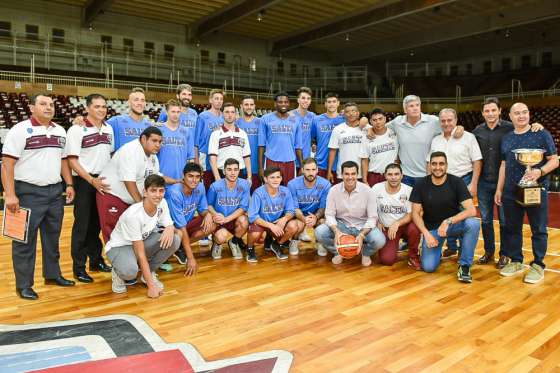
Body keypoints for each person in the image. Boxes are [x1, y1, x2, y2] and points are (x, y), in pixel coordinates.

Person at [2, 93, 76, 300]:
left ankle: (52, 275)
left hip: (54, 193)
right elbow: (7, 165)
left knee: (52, 238)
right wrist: (9, 195)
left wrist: (69, 183)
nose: (48, 107)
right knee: (24, 241)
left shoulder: (60, 130)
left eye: (51, 104)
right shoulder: (19, 130)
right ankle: (23, 285)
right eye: (43, 104)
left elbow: (63, 160)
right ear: (32, 108)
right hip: (27, 192)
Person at [473, 97, 543, 268]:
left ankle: (505, 254)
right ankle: (489, 252)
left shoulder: (510, 128)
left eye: (493, 110)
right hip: (484, 182)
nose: (490, 113)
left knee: (505, 221)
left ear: (499, 111)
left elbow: (525, 128)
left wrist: (537, 125)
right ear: (483, 113)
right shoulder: (477, 131)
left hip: (505, 183)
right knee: (486, 220)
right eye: (487, 111)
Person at [495, 102, 558, 284]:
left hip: (535, 189)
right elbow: (504, 165)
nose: (521, 116)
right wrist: (499, 188)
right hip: (510, 190)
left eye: (524, 112)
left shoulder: (541, 133)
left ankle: (538, 265)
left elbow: (554, 160)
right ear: (511, 116)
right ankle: (516, 261)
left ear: (529, 114)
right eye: (517, 113)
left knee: (538, 228)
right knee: (512, 228)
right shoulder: (507, 138)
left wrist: (540, 171)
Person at [106, 175, 181, 298]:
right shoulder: (133, 215)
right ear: (145, 192)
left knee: (175, 240)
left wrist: (170, 227)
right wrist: (152, 287)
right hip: (120, 247)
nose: (158, 195)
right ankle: (118, 271)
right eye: (153, 190)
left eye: (161, 190)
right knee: (130, 272)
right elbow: (140, 254)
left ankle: (148, 274)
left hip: (141, 241)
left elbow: (169, 224)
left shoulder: (162, 203)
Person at [97, 126, 176, 243]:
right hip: (112, 195)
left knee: (131, 234)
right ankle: (119, 260)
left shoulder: (153, 156)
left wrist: (177, 181)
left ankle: (135, 260)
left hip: (130, 199)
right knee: (114, 236)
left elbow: (156, 177)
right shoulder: (130, 151)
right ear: (143, 139)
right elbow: (129, 182)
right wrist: (141, 205)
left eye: (160, 142)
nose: (158, 144)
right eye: (154, 141)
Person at [410, 151, 479, 283]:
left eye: (441, 164)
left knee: (473, 224)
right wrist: (426, 234)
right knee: (429, 267)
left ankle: (464, 266)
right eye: (434, 164)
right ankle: (437, 251)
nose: (438, 167)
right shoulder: (421, 184)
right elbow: (415, 213)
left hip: (452, 226)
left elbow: (471, 210)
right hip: (433, 230)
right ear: (430, 166)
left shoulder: (456, 182)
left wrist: (448, 221)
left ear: (446, 165)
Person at [66, 93, 113, 283]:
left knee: (96, 225)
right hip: (85, 181)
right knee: (82, 226)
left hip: (102, 180)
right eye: (97, 106)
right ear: (87, 108)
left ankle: (95, 261)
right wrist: (90, 180)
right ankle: (78, 268)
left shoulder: (109, 128)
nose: (101, 110)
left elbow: (110, 155)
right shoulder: (77, 129)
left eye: (104, 106)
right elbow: (72, 161)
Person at [369, 95, 464, 187]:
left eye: (417, 105)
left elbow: (449, 126)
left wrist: (459, 128)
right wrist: (369, 129)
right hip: (405, 175)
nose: (415, 108)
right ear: (405, 110)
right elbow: (380, 127)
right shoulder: (398, 122)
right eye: (411, 106)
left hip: (427, 175)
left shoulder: (432, 121)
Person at [429, 108, 482, 258]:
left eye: (449, 120)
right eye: (443, 121)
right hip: (442, 182)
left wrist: (474, 183)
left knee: (463, 216)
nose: (446, 124)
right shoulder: (436, 140)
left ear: (456, 120)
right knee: (446, 214)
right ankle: (451, 247)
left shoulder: (468, 137)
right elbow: (430, 163)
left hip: (463, 180)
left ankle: (463, 252)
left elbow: (477, 160)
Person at [315, 161, 386, 266]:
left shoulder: (368, 191)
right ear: (341, 174)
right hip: (341, 225)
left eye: (353, 174)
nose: (350, 177)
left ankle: (365, 253)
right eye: (347, 174)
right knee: (319, 232)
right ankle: (337, 251)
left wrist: (362, 235)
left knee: (380, 240)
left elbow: (372, 217)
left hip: (362, 226)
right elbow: (329, 214)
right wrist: (336, 231)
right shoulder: (333, 190)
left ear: (357, 174)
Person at [165, 162, 216, 274]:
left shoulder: (200, 187)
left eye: (197, 177)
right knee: (179, 233)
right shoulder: (175, 193)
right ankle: (174, 248)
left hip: (185, 224)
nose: (194, 180)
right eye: (190, 176)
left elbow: (203, 209)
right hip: (170, 229)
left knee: (212, 223)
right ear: (184, 176)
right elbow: (181, 227)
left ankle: (180, 248)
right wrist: (191, 258)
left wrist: (208, 214)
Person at [370, 163, 421, 270]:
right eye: (390, 174)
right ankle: (394, 246)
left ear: (402, 176)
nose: (393, 177)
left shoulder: (408, 190)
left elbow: (413, 213)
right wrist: (377, 220)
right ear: (385, 175)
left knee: (415, 227)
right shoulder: (376, 188)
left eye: (397, 174)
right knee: (387, 260)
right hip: (387, 228)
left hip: (404, 225)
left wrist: (397, 223)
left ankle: (413, 256)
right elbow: (369, 208)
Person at [247, 167, 302, 262]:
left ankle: (276, 244)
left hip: (277, 222)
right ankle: (250, 249)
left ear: (281, 178)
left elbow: (291, 211)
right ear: (265, 179)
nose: (276, 180)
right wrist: (270, 226)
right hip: (262, 222)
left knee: (294, 226)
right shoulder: (258, 193)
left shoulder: (285, 191)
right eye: (272, 177)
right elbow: (252, 216)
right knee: (255, 233)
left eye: (278, 177)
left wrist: (284, 219)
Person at [207, 158, 250, 260]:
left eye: (235, 169)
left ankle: (234, 242)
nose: (232, 173)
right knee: (222, 236)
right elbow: (208, 205)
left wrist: (227, 219)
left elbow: (243, 208)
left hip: (233, 219)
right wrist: (215, 215)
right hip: (219, 220)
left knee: (244, 221)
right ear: (224, 171)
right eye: (229, 169)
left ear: (239, 171)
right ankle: (217, 243)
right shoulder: (215, 186)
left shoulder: (244, 185)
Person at [287, 158, 330, 256]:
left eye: (313, 169)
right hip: (299, 215)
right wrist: (303, 219)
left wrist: (316, 217)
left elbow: (323, 207)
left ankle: (320, 243)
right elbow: (295, 208)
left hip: (315, 214)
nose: (311, 173)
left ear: (317, 170)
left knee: (323, 222)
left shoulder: (325, 184)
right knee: (295, 225)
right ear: (302, 170)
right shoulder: (292, 184)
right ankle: (294, 241)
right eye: (307, 170)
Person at [258, 92, 303, 186]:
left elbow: (298, 147)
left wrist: (302, 166)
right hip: (271, 161)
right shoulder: (265, 119)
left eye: (286, 102)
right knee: (270, 190)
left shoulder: (296, 120)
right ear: (275, 103)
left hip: (290, 162)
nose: (283, 104)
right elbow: (261, 145)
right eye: (280, 102)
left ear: (289, 103)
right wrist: (261, 168)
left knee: (289, 190)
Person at [208, 102, 252, 183]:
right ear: (222, 114)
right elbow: (212, 158)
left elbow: (247, 157)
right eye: (227, 112)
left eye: (232, 112)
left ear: (235, 114)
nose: (230, 115)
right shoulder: (215, 134)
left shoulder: (243, 134)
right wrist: (217, 177)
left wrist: (249, 177)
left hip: (240, 173)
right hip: (221, 173)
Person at [156, 99, 195, 182]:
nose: (176, 114)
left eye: (178, 112)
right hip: (160, 178)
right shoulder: (158, 129)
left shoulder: (187, 131)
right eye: (173, 111)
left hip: (180, 179)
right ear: (166, 112)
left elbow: (191, 158)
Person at [327, 103, 367, 183]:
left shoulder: (367, 129)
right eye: (347, 112)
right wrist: (329, 171)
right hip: (342, 173)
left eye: (353, 111)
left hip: (361, 174)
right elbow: (332, 151)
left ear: (358, 113)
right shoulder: (337, 129)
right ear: (344, 114)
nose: (351, 114)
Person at [194, 89, 224, 190]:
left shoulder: (225, 117)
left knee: (218, 188)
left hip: (220, 157)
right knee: (206, 187)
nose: (219, 101)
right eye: (216, 99)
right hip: (205, 157)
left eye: (221, 99)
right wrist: (197, 163)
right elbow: (196, 143)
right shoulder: (203, 117)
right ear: (211, 100)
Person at [360, 108, 398, 187]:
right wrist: (364, 180)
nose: (378, 122)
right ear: (370, 122)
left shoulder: (394, 132)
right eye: (374, 120)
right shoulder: (366, 137)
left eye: (380, 119)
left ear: (385, 119)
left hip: (392, 175)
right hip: (374, 175)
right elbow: (364, 159)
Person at [311, 92, 345, 180]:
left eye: (334, 101)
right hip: (321, 162)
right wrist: (313, 144)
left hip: (339, 164)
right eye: (329, 102)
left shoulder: (344, 119)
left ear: (338, 103)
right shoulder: (317, 120)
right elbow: (310, 138)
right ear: (325, 104)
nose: (331, 104)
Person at [236, 95, 262, 192]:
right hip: (240, 167)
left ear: (254, 106)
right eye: (246, 104)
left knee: (255, 195)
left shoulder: (261, 122)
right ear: (241, 106)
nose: (249, 107)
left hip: (256, 167)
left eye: (251, 104)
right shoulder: (236, 123)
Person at [291, 87, 315, 169]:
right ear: (298, 100)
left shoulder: (313, 116)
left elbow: (313, 135)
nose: (306, 100)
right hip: (291, 159)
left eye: (308, 98)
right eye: (303, 98)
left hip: (306, 159)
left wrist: (313, 144)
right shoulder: (289, 116)